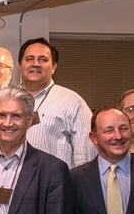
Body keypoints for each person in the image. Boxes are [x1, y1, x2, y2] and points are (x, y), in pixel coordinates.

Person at [16, 37, 93, 169]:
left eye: (43, 60)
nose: (35, 64)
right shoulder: (6, 100)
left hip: (54, 185)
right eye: (29, 59)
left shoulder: (72, 101)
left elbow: (85, 155)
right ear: (20, 65)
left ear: (54, 67)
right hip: (13, 184)